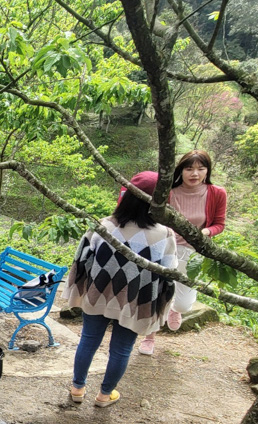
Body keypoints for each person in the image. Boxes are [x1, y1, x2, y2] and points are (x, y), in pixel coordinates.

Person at [66, 171, 178, 407]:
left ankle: (77, 389)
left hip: (98, 294)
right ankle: (104, 395)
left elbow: (82, 259)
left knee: (88, 340)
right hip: (137, 301)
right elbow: (169, 275)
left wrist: (78, 290)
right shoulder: (164, 235)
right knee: (122, 349)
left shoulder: (104, 225)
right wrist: (162, 305)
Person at [139, 150, 227, 355]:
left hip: (192, 252)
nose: (194, 173)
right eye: (189, 168)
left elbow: (219, 224)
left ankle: (175, 309)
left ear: (207, 171)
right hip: (164, 246)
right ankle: (149, 336)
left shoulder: (216, 193)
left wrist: (205, 231)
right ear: (181, 170)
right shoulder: (169, 191)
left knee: (185, 304)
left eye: (200, 169)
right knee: (157, 292)